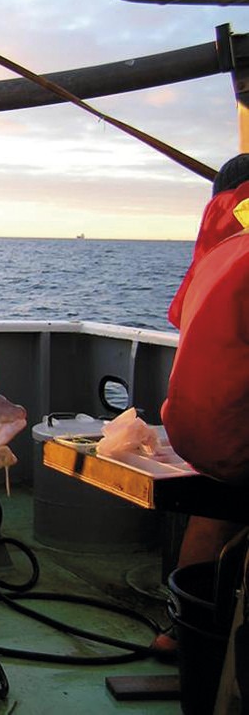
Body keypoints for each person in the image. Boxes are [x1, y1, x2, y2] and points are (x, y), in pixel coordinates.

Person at [154, 154, 249, 662]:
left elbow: (179, 314)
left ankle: (181, 626)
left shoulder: (218, 251)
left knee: (213, 504)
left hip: (193, 434)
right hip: (237, 438)